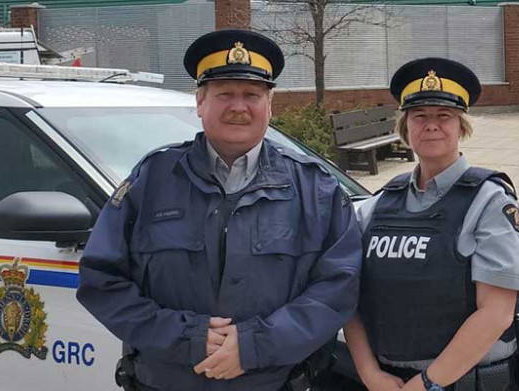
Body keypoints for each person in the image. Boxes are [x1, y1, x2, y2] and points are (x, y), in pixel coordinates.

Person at [76, 29, 363, 391]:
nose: (238, 107)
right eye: (224, 94)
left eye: (252, 95)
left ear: (270, 106)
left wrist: (254, 345)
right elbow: (101, 280)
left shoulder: (315, 188)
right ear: (199, 102)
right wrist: (187, 337)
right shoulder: (152, 181)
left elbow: (338, 288)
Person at [344, 57, 519, 391]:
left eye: (444, 116)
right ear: (406, 128)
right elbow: (349, 300)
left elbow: (497, 313)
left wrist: (428, 383)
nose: (431, 125)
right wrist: (370, 374)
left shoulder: (489, 202)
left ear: (461, 127)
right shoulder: (377, 206)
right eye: (420, 116)